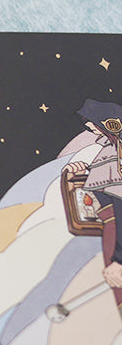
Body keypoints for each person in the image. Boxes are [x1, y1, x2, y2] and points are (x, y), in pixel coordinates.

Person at [64, 99, 122, 302]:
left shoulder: (115, 155)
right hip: (110, 230)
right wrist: (82, 171)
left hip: (116, 232)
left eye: (93, 124)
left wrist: (120, 259)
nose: (90, 128)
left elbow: (118, 204)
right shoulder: (109, 151)